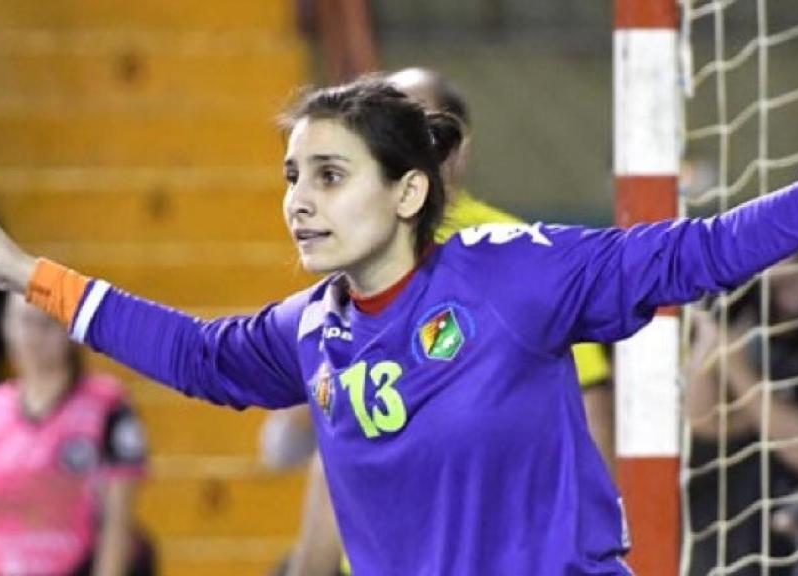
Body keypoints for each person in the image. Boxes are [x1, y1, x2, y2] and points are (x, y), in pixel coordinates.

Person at [0, 76, 798, 574]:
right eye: (292, 177)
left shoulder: (516, 277)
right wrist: (24, 270)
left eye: (328, 177)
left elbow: (699, 252)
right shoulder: (309, 328)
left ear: (410, 189)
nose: (298, 201)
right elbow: (198, 356)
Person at [260, 66, 613, 576]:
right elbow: (331, 436)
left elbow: (588, 411)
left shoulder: (517, 256)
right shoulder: (355, 260)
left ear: (457, 149)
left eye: (419, 127)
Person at [0, 295, 152, 576]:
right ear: (5, 327)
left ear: (70, 331)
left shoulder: (107, 406)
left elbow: (117, 520)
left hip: (81, 562)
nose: (33, 336)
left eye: (47, 324)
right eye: (24, 322)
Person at [684, 250, 798, 576]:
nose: (786, 273)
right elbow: (709, 422)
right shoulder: (757, 336)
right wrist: (713, 330)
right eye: (775, 259)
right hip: (747, 543)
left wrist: (736, 366)